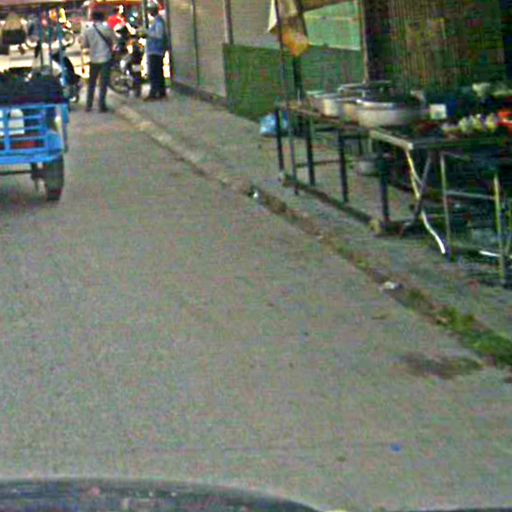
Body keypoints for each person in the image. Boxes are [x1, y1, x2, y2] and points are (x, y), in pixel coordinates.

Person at [81, 11, 117, 112]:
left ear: (92, 18)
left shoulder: (88, 30)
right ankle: (102, 105)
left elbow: (85, 45)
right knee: (103, 83)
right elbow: (114, 41)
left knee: (91, 83)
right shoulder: (107, 28)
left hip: (94, 59)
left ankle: (89, 105)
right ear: (103, 18)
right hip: (106, 58)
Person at [144, 3, 167, 101]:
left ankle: (153, 93)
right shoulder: (157, 21)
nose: (149, 12)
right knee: (158, 72)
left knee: (154, 73)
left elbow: (159, 35)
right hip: (155, 50)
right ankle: (161, 92)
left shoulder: (158, 22)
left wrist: (147, 32)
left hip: (156, 50)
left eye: (150, 10)